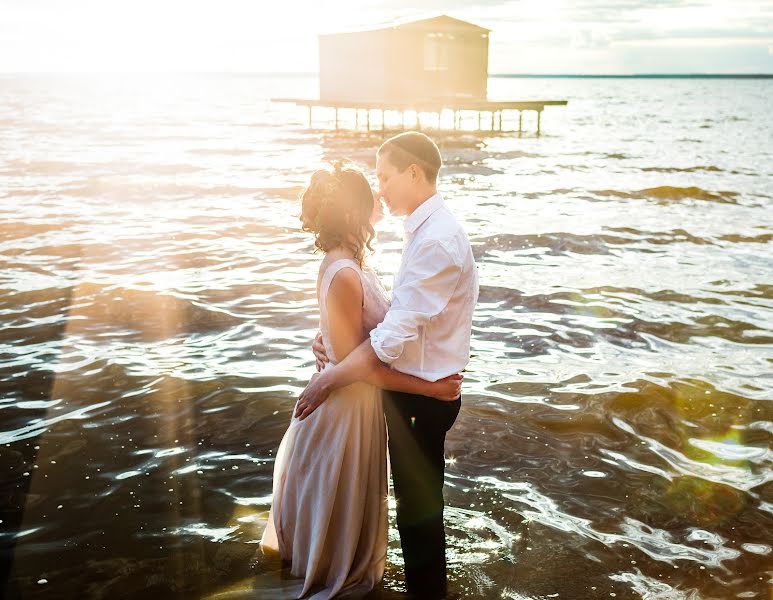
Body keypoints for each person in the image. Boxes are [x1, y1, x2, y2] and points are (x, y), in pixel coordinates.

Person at [259, 161, 463, 600]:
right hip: (345, 410)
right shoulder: (346, 272)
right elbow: (364, 364)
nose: (379, 198)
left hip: (354, 401)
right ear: (354, 213)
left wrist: (329, 347)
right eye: (371, 194)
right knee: (340, 530)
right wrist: (432, 388)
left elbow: (352, 343)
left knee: (339, 518)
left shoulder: (352, 265)